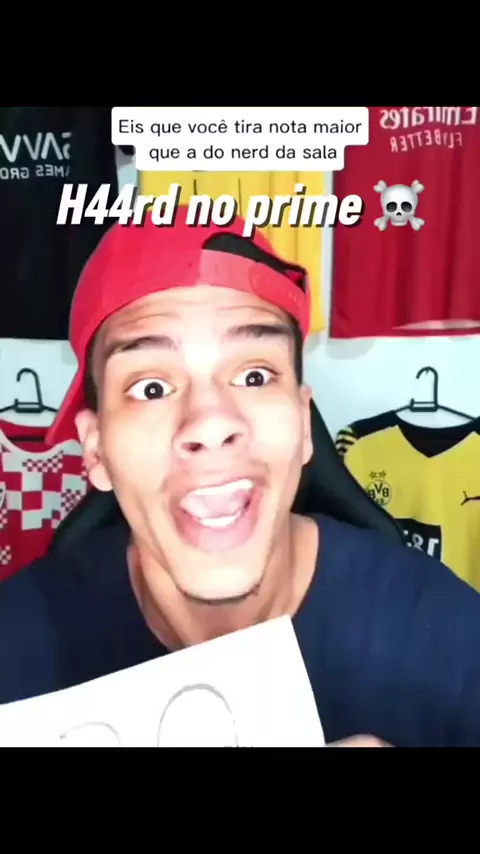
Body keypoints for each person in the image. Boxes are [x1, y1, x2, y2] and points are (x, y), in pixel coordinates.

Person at [1, 205, 480, 748]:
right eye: (151, 388)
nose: (210, 424)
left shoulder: (450, 639)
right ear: (96, 452)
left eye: (254, 375)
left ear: (304, 425)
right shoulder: (14, 648)